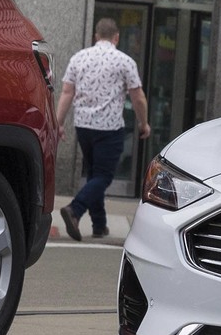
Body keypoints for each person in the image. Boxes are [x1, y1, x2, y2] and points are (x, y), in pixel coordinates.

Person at [55, 18, 150, 241]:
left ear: (96, 36)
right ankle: (75, 210)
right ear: (116, 37)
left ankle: (100, 225)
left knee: (94, 175)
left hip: (84, 126)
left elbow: (67, 92)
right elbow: (138, 97)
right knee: (104, 176)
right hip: (109, 128)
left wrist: (59, 123)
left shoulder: (79, 58)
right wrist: (143, 123)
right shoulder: (125, 61)